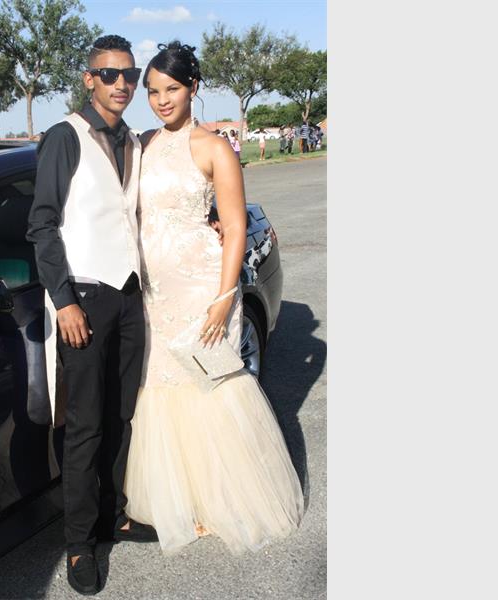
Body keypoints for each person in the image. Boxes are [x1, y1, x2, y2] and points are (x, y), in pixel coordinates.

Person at [124, 41, 303, 555]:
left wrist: (225, 297)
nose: (161, 100)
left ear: (193, 88)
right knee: (161, 384)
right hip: (154, 288)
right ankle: (179, 499)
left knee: (207, 383)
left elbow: (236, 225)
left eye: (172, 89)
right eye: (153, 91)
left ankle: (222, 498)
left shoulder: (214, 147)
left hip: (202, 284)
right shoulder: (143, 143)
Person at [26, 34, 158, 596]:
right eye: (109, 74)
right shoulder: (65, 136)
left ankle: (113, 515)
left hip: (128, 296)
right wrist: (64, 300)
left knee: (122, 415)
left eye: (129, 74)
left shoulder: (133, 139)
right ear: (89, 79)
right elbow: (42, 225)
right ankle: (79, 543)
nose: (121, 83)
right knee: (85, 427)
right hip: (84, 297)